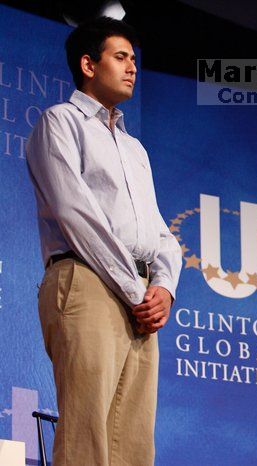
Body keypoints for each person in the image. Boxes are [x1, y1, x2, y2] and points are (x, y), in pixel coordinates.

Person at [26, 17, 181, 466]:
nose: (133, 67)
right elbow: (78, 216)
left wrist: (164, 288)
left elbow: (159, 233)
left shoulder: (135, 149)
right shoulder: (60, 122)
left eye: (134, 58)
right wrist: (137, 292)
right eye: (120, 57)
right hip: (87, 281)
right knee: (86, 434)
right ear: (88, 64)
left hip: (139, 296)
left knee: (134, 443)